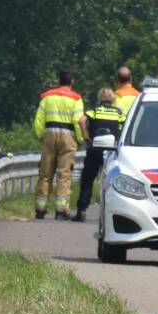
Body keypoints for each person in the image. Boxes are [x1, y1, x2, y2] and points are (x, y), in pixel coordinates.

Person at [33, 70, 84, 220]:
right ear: (72, 82)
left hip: (49, 134)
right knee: (64, 174)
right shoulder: (76, 99)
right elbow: (78, 121)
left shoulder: (47, 97)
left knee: (45, 173)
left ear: (59, 81)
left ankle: (40, 208)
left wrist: (41, 136)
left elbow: (39, 120)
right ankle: (61, 210)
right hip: (68, 137)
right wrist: (80, 139)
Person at [72, 88, 123, 222]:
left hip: (95, 149)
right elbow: (126, 124)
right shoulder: (118, 113)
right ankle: (114, 213)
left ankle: (81, 211)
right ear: (112, 99)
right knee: (112, 181)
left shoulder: (94, 111)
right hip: (111, 151)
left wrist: (86, 136)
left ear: (99, 98)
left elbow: (81, 121)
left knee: (87, 179)